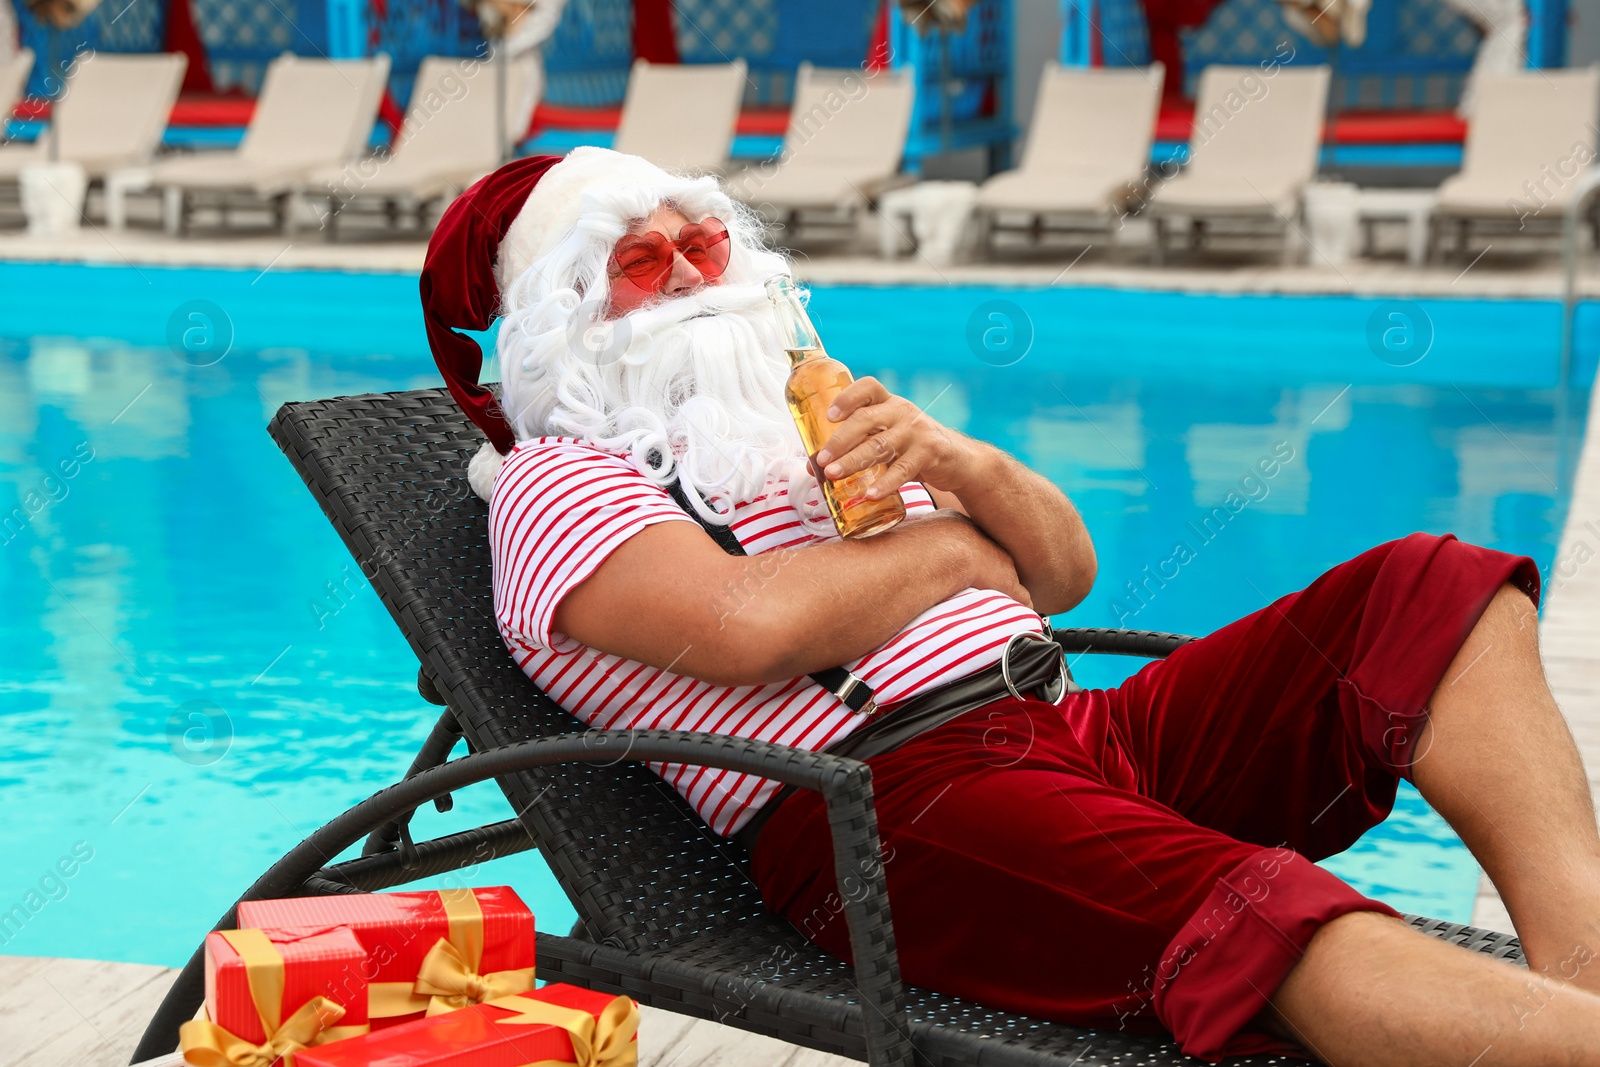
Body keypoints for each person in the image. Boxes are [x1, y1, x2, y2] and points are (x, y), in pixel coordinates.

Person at [421, 148, 1600, 1065]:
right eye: (640, 260)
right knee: (1260, 909)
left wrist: (957, 460)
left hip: (1076, 734)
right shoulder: (561, 478)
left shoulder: (800, 421)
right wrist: (954, 551)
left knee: (1427, 588)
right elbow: (748, 623)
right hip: (892, 803)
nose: (688, 273)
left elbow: (1061, 566)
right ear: (562, 312)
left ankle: (1584, 976)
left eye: (705, 241)